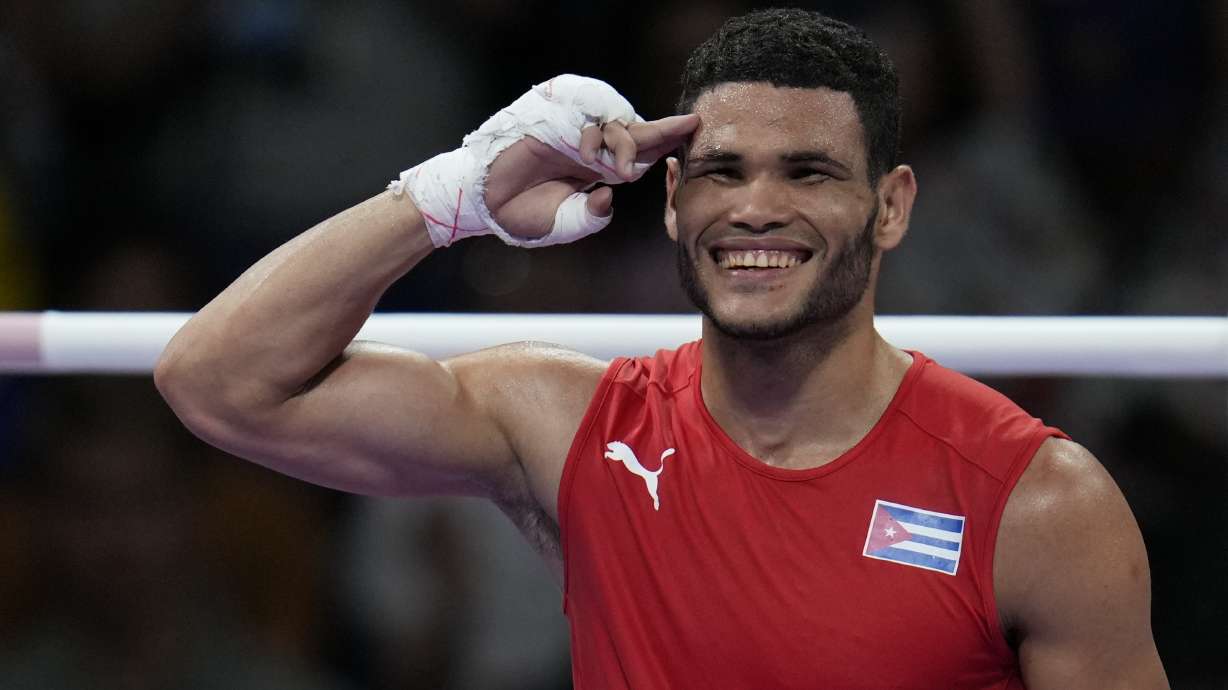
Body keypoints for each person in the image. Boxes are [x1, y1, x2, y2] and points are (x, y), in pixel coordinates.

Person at [155, 9, 1168, 689]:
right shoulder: (567, 423)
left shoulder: (1036, 502)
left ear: (890, 206)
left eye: (808, 172)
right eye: (720, 172)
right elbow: (218, 382)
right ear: (674, 202)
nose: (757, 210)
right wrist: (451, 195)